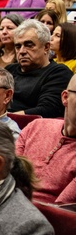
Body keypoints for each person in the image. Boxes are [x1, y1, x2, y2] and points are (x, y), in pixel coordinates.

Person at [16, 73, 76, 203]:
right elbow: (7, 176)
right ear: (65, 97)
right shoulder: (36, 126)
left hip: (44, 220)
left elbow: (60, 210)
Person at [7, 19, 73, 116]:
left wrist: (4, 119)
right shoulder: (9, 70)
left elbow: (48, 110)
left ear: (46, 47)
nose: (22, 51)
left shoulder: (58, 73)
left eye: (29, 45)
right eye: (18, 46)